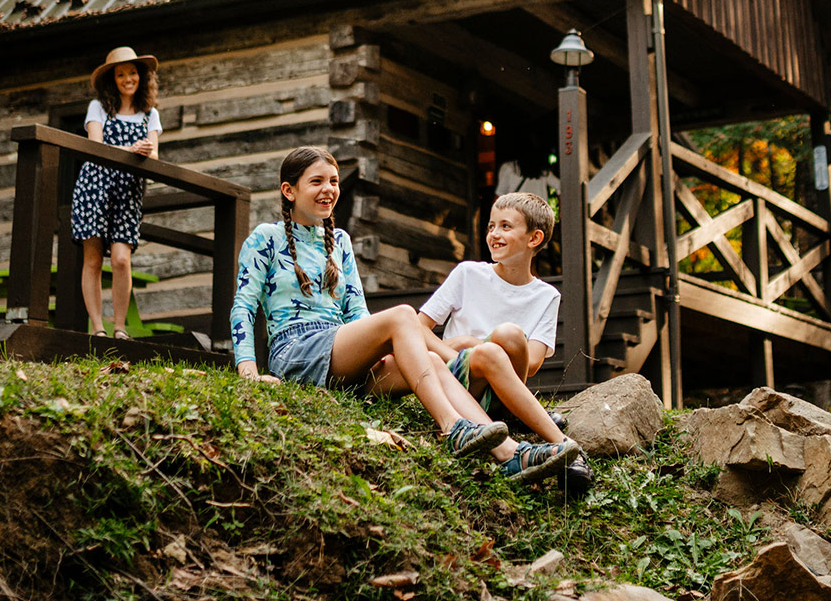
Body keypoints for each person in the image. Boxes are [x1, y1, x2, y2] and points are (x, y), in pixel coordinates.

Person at [230, 146, 582, 486]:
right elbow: (243, 306)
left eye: (335, 181)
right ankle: (452, 427)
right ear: (289, 191)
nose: (329, 190)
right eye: (317, 181)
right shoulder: (267, 237)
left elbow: (357, 313)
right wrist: (248, 372)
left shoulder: (340, 241)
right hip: (297, 351)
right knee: (402, 315)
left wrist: (384, 353)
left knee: (430, 357)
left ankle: (510, 454)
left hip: (344, 359)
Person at [415, 192, 593, 496]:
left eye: (505, 227)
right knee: (494, 344)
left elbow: (533, 361)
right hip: (459, 382)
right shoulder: (469, 273)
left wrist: (483, 343)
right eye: (490, 227)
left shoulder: (546, 295)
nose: (494, 234)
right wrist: (468, 348)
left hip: (504, 386)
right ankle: (563, 446)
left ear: (534, 238)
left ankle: (526, 423)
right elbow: (419, 328)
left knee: (508, 335)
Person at [71, 46, 161, 338]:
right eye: (121, 74)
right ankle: (98, 327)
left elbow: (154, 157)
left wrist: (146, 152)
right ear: (112, 79)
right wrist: (132, 150)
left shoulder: (151, 115)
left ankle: (119, 327)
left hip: (128, 190)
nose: (127, 79)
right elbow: (96, 147)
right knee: (94, 259)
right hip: (95, 185)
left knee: (122, 259)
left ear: (141, 76)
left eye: (132, 72)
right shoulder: (98, 107)